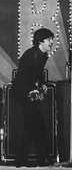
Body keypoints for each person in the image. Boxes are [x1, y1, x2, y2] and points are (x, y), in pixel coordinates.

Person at [11, 28, 54, 167]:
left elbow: (38, 73)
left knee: (33, 124)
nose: (51, 42)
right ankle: (41, 159)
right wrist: (33, 90)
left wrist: (42, 84)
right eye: (49, 39)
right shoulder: (30, 54)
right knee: (37, 122)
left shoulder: (42, 55)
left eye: (51, 39)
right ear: (40, 41)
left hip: (28, 90)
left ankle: (23, 160)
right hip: (21, 91)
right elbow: (24, 77)